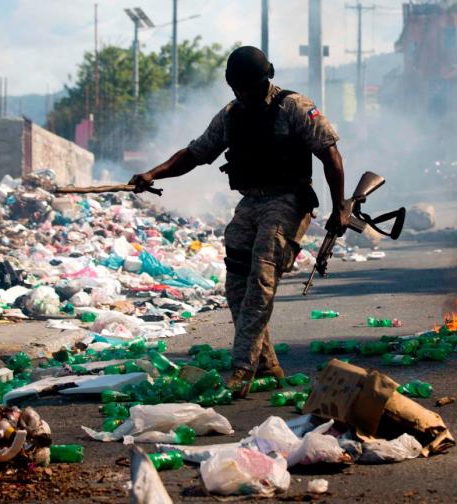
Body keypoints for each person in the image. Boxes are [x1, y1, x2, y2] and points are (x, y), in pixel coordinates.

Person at [129, 46, 349, 396]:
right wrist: (153, 174)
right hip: (251, 202)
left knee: (261, 280)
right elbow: (195, 154)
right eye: (237, 88)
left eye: (249, 87)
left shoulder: (294, 107)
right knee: (237, 285)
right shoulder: (231, 115)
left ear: (267, 78)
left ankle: (242, 368)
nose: (243, 94)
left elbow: (329, 152)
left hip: (289, 200)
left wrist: (340, 207)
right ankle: (266, 363)